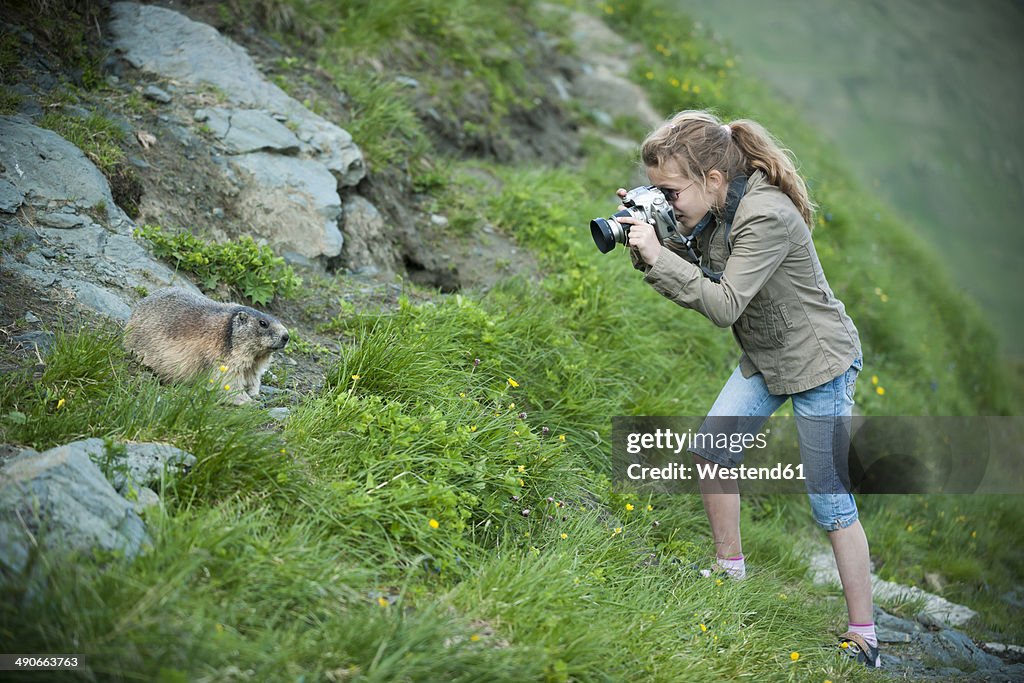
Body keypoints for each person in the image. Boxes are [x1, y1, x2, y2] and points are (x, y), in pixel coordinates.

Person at [617, 110, 880, 668]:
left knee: (829, 500)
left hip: (819, 364)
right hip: (767, 354)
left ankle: (865, 637)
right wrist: (657, 238)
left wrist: (663, 256)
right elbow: (703, 275)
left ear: (712, 179)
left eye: (669, 192)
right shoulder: (716, 206)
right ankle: (728, 573)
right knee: (713, 451)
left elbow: (723, 304)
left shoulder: (765, 215)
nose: (667, 200)